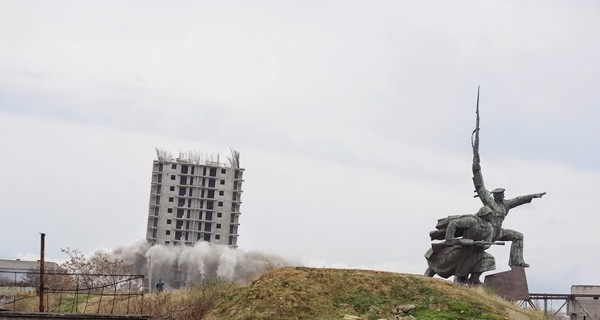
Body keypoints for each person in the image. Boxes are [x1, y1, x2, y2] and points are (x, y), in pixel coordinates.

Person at [472, 162, 545, 268]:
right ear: (496, 196)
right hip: (487, 233)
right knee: (474, 252)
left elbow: (518, 200)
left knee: (518, 236)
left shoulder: (505, 204)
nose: (504, 196)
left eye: (503, 194)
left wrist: (532, 196)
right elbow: (481, 188)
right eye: (501, 194)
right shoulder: (490, 202)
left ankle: (516, 262)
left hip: (499, 232)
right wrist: (477, 168)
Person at [424, 206, 496, 285]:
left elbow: (488, 244)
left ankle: (474, 280)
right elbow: (453, 223)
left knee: (489, 259)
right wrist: (449, 240)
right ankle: (429, 273)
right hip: (461, 247)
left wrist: (482, 245)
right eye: (490, 214)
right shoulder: (472, 221)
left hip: (475, 251)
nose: (491, 216)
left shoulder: (490, 228)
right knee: (443, 262)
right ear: (484, 214)